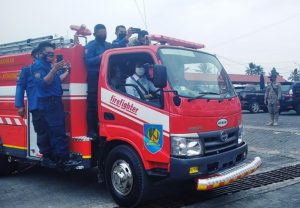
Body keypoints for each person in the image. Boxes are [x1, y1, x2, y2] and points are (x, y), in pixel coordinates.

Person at [31, 41, 78, 167]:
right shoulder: (37, 66)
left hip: (55, 102)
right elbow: (43, 83)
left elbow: (56, 80)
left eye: (53, 53)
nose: (51, 55)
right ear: (41, 53)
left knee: (57, 130)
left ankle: (56, 157)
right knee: (57, 130)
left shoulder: (48, 65)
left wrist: (67, 71)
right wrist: (55, 69)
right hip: (49, 102)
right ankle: (62, 159)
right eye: (48, 53)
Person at [15, 48, 52, 165]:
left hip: (50, 105)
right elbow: (20, 87)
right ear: (33, 57)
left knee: (52, 131)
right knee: (42, 132)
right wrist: (20, 105)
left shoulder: (49, 68)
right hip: (36, 106)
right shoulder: (27, 70)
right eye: (38, 54)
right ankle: (46, 157)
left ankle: (53, 156)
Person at [84, 24, 112, 138]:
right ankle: (91, 130)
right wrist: (100, 57)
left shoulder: (108, 45)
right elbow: (87, 61)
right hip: (94, 78)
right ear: (95, 34)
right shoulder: (91, 46)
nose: (103, 34)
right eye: (101, 32)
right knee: (92, 105)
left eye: (104, 32)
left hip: (107, 78)